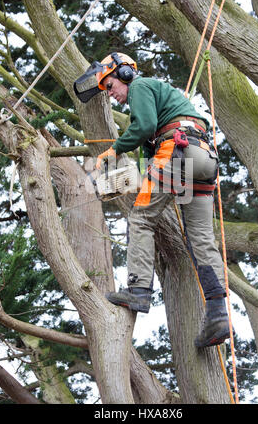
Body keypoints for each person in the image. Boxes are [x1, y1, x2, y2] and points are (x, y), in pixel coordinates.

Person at [74, 52, 230, 348]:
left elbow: (143, 126)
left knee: (141, 217)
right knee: (201, 241)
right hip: (204, 160)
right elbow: (150, 148)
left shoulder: (140, 87)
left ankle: (139, 290)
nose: (112, 96)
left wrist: (114, 150)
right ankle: (218, 315)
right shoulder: (161, 99)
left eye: (110, 87)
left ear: (125, 74)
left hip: (178, 151)